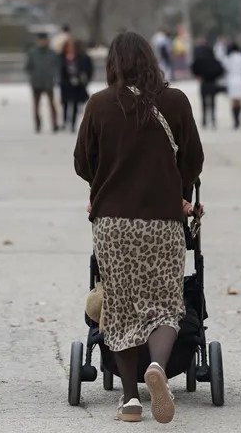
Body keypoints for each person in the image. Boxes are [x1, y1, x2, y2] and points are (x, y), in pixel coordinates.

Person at [74, 31, 204, 424]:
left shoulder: (99, 105)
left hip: (113, 224)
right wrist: (174, 185)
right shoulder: (175, 101)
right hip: (163, 221)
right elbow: (193, 160)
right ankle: (159, 369)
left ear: (113, 64)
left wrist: (105, 182)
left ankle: (130, 400)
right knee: (166, 303)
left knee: (121, 305)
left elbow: (83, 162)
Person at [25, 32, 60, 133]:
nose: (43, 42)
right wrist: (33, 75)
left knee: (52, 104)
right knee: (36, 105)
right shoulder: (33, 53)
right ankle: (38, 124)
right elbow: (28, 67)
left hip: (49, 82)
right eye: (41, 40)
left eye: (44, 40)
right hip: (37, 83)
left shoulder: (52, 53)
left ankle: (54, 124)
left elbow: (57, 66)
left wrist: (53, 75)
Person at [59, 38, 93, 132]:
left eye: (72, 47)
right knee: (65, 104)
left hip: (77, 85)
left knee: (75, 104)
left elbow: (88, 69)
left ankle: (73, 124)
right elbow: (59, 70)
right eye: (68, 47)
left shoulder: (81, 57)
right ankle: (65, 121)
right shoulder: (61, 57)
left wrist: (84, 80)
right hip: (65, 84)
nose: (70, 48)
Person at [190, 39, 224, 129]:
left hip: (204, 82)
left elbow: (193, 68)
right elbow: (221, 70)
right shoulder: (214, 61)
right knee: (212, 102)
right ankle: (213, 119)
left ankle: (204, 120)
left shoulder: (200, 61)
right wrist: (215, 76)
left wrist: (198, 75)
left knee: (204, 102)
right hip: (212, 82)